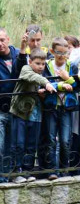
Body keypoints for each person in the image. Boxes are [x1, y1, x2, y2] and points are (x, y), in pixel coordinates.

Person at [10, 48, 56, 182]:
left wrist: (40, 92)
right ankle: (16, 172)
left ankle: (27, 171)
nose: (41, 67)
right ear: (30, 62)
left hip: (36, 114)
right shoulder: (26, 68)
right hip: (20, 113)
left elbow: (37, 85)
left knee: (31, 145)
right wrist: (46, 83)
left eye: (43, 64)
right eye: (37, 63)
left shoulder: (41, 74)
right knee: (19, 144)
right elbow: (31, 77)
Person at [39, 37, 80, 179]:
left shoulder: (72, 66)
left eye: (65, 53)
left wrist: (67, 77)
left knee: (65, 140)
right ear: (52, 51)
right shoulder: (47, 66)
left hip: (66, 108)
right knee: (50, 139)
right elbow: (45, 84)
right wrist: (62, 85)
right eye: (59, 53)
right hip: (51, 107)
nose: (62, 56)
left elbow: (78, 86)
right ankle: (51, 170)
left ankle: (64, 169)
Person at [0, 28, 19, 181]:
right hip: (1, 108)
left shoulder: (18, 54)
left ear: (8, 39)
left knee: (11, 146)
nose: (0, 44)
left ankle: (7, 176)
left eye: (2, 40)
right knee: (0, 146)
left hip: (17, 108)